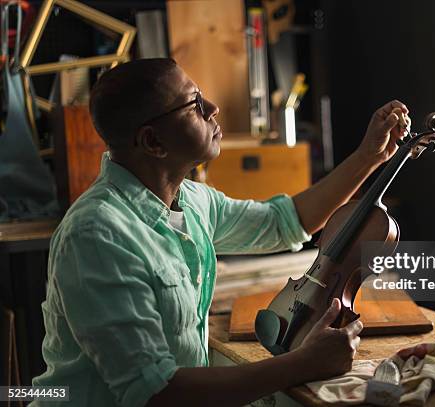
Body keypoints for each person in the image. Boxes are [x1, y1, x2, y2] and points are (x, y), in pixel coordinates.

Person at [32, 58, 409, 407]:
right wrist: (302, 363)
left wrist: (369, 156)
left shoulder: (191, 199)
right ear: (153, 142)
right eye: (194, 104)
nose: (212, 108)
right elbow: (155, 393)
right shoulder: (97, 235)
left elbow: (284, 222)